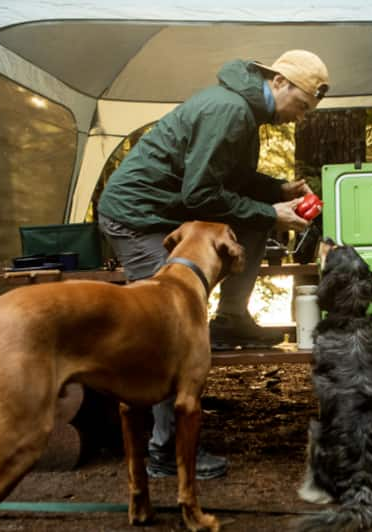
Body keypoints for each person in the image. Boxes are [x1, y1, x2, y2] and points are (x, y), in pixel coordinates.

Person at [96, 50, 330, 480]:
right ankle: (166, 452)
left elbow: (227, 179)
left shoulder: (244, 111)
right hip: (136, 215)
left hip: (165, 207)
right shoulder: (230, 111)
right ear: (279, 82)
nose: (300, 117)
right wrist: (272, 211)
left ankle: (232, 319)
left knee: (256, 221)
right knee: (170, 326)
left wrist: (275, 189)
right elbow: (201, 194)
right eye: (301, 106)